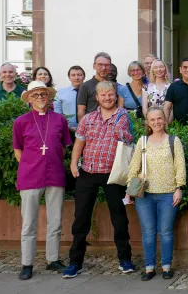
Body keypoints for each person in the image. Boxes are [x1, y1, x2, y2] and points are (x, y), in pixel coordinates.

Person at [64, 81, 135, 278]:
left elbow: (128, 139)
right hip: (88, 172)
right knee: (81, 219)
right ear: (97, 98)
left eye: (110, 94)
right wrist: (73, 163)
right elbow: (79, 142)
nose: (107, 98)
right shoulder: (87, 119)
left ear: (115, 95)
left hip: (113, 174)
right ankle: (75, 262)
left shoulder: (123, 115)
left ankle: (125, 259)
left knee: (119, 217)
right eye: (103, 95)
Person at [13, 81, 73, 280]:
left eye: (43, 94)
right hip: (30, 176)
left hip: (54, 174)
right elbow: (18, 151)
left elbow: (63, 147)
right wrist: (32, 164)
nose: (40, 98)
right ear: (29, 98)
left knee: (55, 220)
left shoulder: (59, 120)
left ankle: (52, 259)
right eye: (36, 95)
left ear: (48, 97)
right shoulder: (20, 122)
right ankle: (27, 263)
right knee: (29, 222)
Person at [126, 107, 186, 281]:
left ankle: (166, 266)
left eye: (159, 118)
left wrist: (178, 188)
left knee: (166, 231)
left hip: (168, 194)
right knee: (148, 232)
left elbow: (180, 167)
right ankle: (149, 267)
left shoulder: (174, 141)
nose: (156, 122)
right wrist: (130, 189)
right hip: (145, 195)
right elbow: (133, 168)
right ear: (148, 122)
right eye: (152, 120)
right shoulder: (143, 141)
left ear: (165, 120)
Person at [77, 52, 112, 121]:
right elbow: (81, 111)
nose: (104, 68)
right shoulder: (85, 86)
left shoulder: (113, 86)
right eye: (100, 65)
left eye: (106, 65)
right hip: (91, 126)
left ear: (110, 67)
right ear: (94, 66)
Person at [54, 65, 85, 131]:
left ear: (84, 77)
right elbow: (57, 113)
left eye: (79, 75)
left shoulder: (90, 92)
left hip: (87, 129)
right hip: (67, 129)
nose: (76, 78)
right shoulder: (61, 93)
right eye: (73, 75)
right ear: (69, 77)